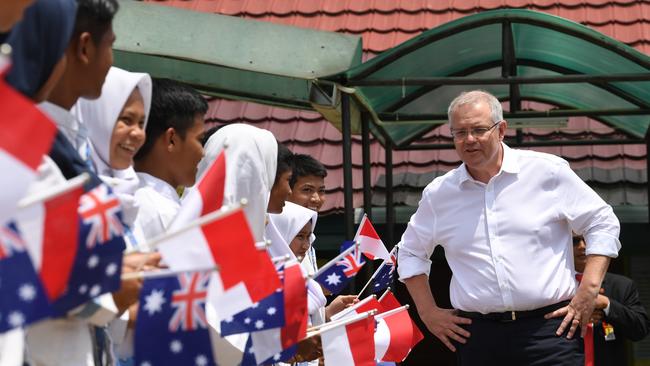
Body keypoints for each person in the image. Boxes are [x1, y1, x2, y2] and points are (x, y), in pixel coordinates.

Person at [397, 90, 621, 366]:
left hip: (550, 332)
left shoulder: (547, 172)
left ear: (501, 130)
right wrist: (428, 313)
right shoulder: (439, 194)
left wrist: (588, 290)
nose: (469, 140)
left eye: (479, 130)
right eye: (460, 132)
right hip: (478, 337)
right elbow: (409, 253)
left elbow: (602, 222)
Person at [73, 66, 154, 365]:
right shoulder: (75, 190)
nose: (137, 134)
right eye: (126, 120)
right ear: (98, 118)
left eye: (142, 122)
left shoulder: (130, 195)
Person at [133, 77, 207, 241]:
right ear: (172, 139)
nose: (203, 153)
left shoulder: (131, 196)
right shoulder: (164, 213)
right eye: (200, 140)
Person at [573, 235, 650, 366]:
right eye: (575, 241)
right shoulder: (552, 286)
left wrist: (607, 304)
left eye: (588, 240)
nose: (582, 246)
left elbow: (640, 329)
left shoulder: (622, 285)